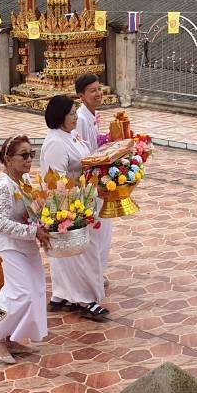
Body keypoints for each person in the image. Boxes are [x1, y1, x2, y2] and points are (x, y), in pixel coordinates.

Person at [0, 135, 49, 364]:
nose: (29, 159)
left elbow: (31, 210)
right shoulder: (2, 186)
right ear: (8, 159)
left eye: (31, 154)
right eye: (24, 155)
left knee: (36, 291)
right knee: (19, 293)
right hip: (8, 247)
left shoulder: (25, 179)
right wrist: (32, 232)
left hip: (25, 245)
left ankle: (10, 337)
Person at [41, 95, 108, 322]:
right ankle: (84, 298)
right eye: (71, 114)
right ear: (60, 117)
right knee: (79, 254)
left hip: (83, 199)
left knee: (78, 253)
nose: (74, 118)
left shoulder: (71, 135)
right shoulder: (55, 143)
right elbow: (56, 180)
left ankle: (63, 294)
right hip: (69, 205)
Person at [74, 73, 114, 292]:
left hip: (98, 176)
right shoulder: (80, 119)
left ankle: (99, 269)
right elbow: (85, 154)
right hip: (90, 181)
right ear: (81, 95)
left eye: (99, 89)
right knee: (97, 230)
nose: (98, 94)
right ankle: (93, 273)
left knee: (104, 229)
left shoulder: (92, 115)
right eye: (92, 90)